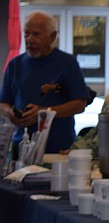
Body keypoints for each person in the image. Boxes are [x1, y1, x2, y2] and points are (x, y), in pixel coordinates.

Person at [0, 11, 89, 154]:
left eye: (36, 34)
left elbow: (80, 104)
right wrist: (12, 114)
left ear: (52, 36)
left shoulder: (67, 63)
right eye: (26, 34)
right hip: (21, 148)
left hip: (58, 149)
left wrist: (45, 113)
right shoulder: (15, 65)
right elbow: (3, 103)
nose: (30, 39)